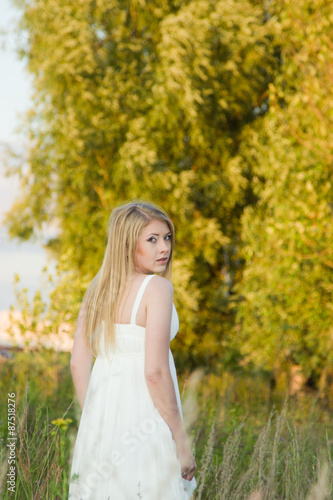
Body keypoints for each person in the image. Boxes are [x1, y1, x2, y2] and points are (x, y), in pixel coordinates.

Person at [68, 200, 197, 499]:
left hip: (99, 428)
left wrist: (95, 422)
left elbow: (77, 364)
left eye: (166, 238)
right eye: (152, 240)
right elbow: (154, 372)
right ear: (127, 245)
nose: (164, 248)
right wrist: (181, 441)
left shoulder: (97, 290)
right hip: (146, 424)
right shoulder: (158, 288)